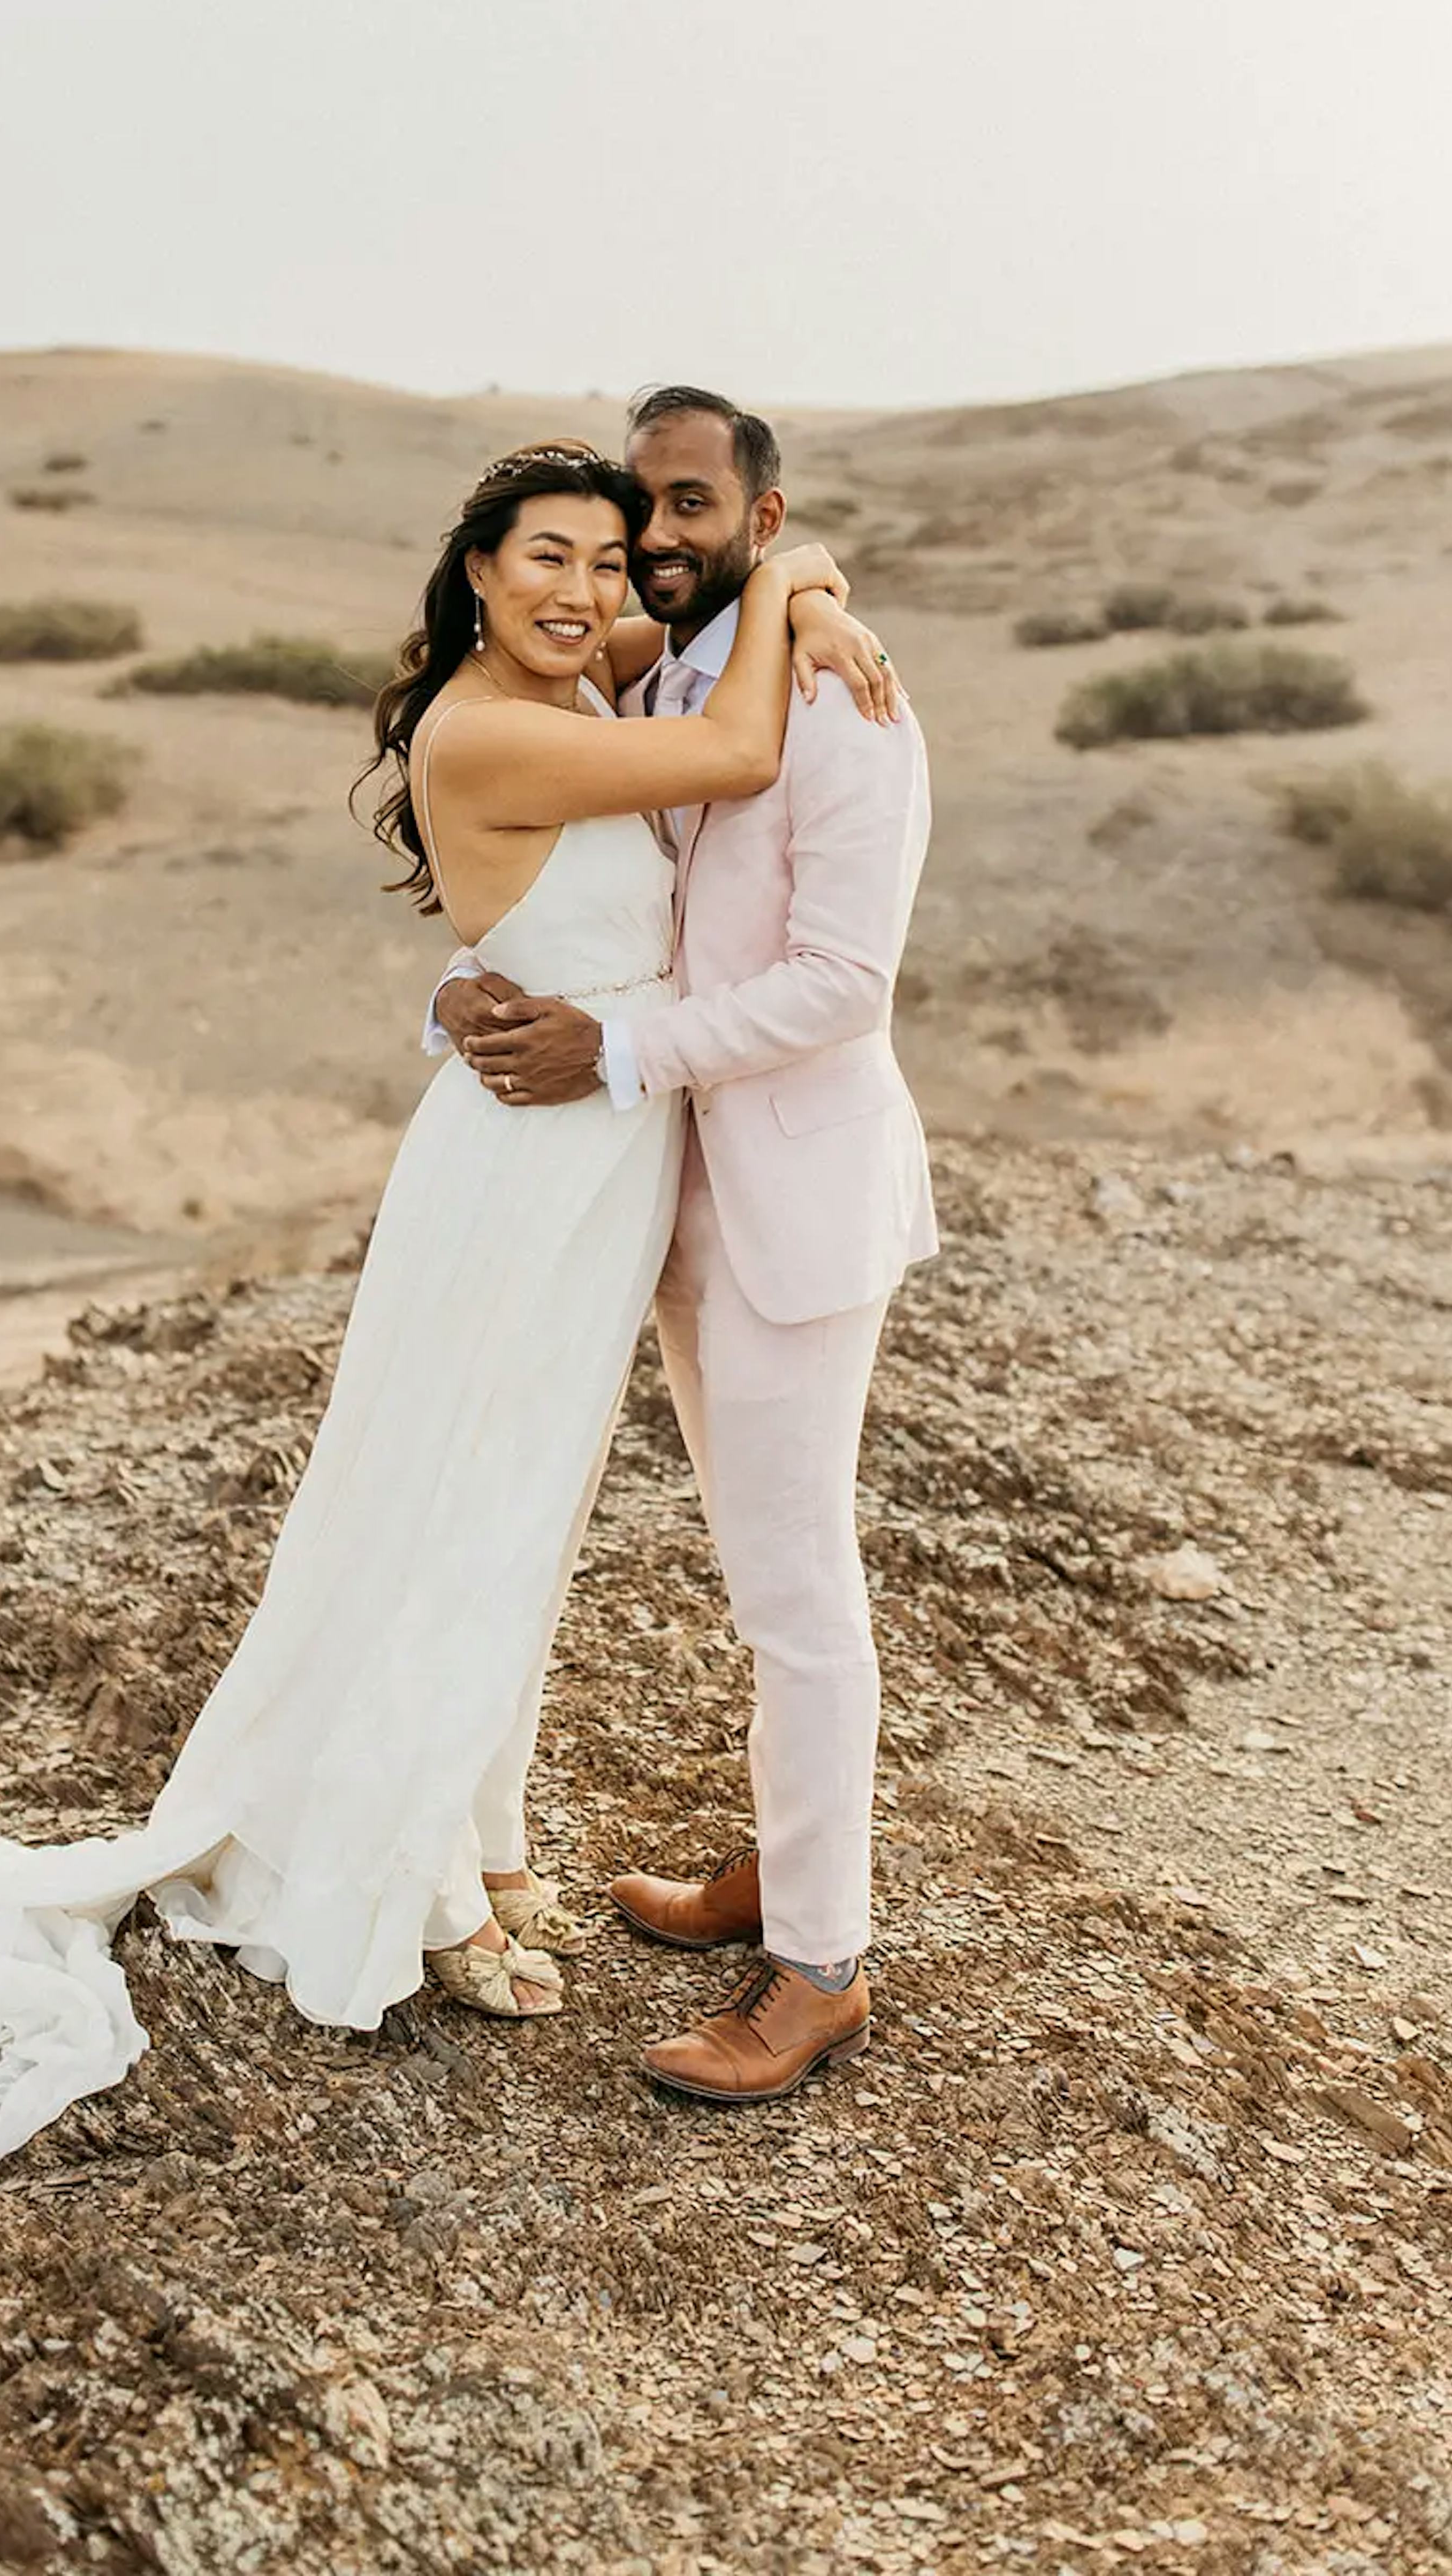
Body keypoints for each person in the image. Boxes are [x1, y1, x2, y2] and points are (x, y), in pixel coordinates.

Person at [0, 439, 891, 2177]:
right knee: (460, 1509)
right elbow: (730, 744)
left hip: (601, 1157)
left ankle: (483, 1841)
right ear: (476, 574)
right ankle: (413, 1881)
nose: (585, 587)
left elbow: (690, 660)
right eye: (544, 557)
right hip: (526, 1168)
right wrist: (802, 591)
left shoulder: (580, 670)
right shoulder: (489, 724)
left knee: (525, 1517)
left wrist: (808, 579)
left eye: (607, 555)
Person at [434, 387, 937, 2105]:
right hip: (674, 1208)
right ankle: (780, 1873)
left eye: (693, 503)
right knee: (755, 1570)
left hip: (794, 1206)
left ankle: (818, 1970)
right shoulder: (650, 683)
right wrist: (478, 1000)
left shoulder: (848, 713)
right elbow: (588, 909)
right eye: (638, 503)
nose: (657, 533)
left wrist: (622, 1056)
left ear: (764, 512)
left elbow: (839, 987)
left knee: (800, 1589)